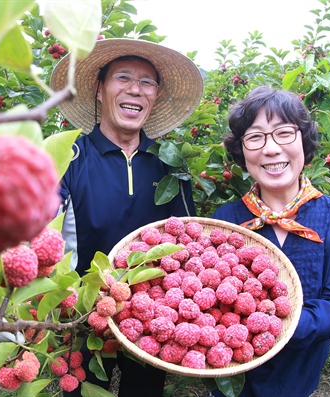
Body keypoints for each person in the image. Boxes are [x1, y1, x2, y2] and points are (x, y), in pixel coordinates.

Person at [50, 38, 204, 396]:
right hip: (85, 313)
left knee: (144, 390)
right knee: (84, 389)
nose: (135, 89)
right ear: (99, 88)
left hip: (152, 316)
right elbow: (46, 237)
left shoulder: (169, 163)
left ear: (155, 95)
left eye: (146, 82)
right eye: (123, 77)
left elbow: (187, 241)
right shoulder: (68, 158)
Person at [211, 86, 330, 397]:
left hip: (299, 378)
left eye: (284, 133)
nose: (271, 148)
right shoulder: (225, 219)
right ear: (242, 153)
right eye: (255, 137)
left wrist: (273, 327)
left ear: (303, 142)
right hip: (234, 376)